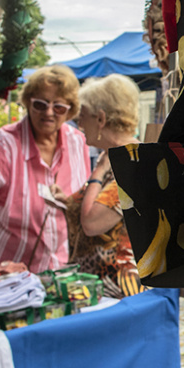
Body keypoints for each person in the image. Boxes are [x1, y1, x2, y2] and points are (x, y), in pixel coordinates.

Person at [0, 66, 90, 272]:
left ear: (70, 110)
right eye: (40, 104)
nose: (49, 113)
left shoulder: (78, 142)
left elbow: (82, 201)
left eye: (59, 107)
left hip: (54, 270)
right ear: (28, 103)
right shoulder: (7, 142)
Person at [53, 74, 142, 297]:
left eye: (83, 117)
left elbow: (92, 222)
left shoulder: (131, 163)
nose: (79, 125)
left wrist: (98, 172)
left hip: (115, 289)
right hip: (94, 285)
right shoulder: (113, 157)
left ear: (101, 119)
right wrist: (64, 199)